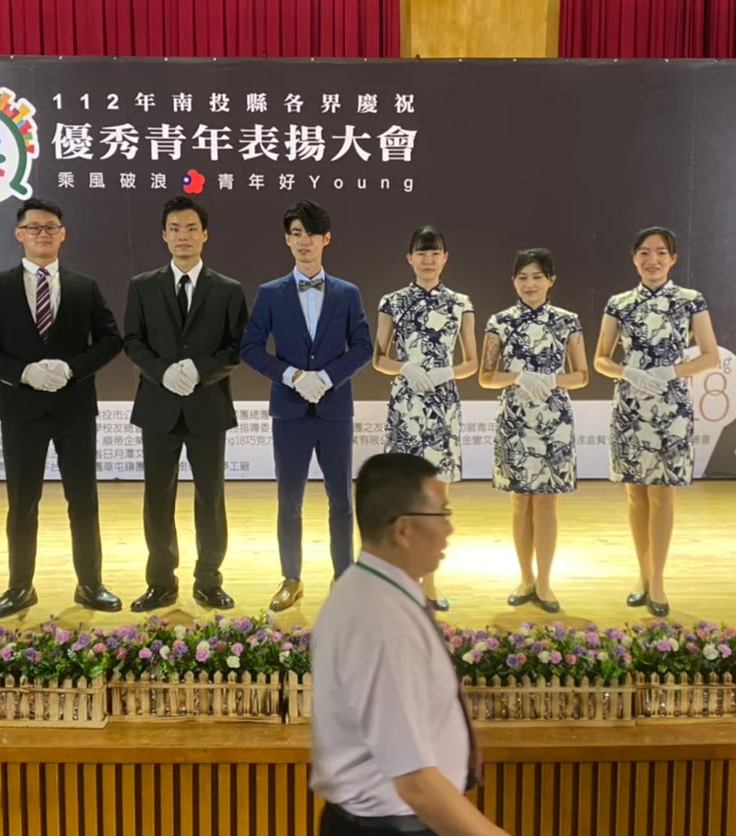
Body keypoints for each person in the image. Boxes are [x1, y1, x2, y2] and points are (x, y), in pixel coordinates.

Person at [284, 453, 573, 836]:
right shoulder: (381, 624)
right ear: (404, 528)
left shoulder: (377, 591)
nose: (450, 529)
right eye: (442, 514)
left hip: (417, 832)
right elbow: (414, 781)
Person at [0, 199, 124, 619]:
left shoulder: (84, 286)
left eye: (51, 227)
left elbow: (111, 340)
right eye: (33, 227)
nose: (42, 234)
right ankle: (20, 587)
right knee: (22, 503)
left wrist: (72, 369)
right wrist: (22, 373)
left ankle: (90, 584)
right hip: (21, 410)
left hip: (75, 409)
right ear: (19, 234)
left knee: (84, 500)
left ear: (63, 234)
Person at [241, 199, 373, 613]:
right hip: (289, 412)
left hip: (334, 411)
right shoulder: (270, 293)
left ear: (326, 239)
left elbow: (363, 347)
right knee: (289, 501)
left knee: (341, 500)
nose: (304, 241)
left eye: (311, 233)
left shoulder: (348, 293)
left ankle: (344, 575)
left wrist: (328, 377)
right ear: (287, 239)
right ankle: (291, 579)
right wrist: (292, 376)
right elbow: (249, 347)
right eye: (296, 233)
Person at [122, 195, 248, 614]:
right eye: (175, 228)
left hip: (207, 405)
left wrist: (199, 370)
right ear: (164, 235)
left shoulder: (228, 289)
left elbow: (237, 347)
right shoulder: (142, 286)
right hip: (158, 407)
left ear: (205, 234)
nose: (183, 236)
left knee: (210, 497)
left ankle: (209, 580)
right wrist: (163, 372)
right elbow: (133, 341)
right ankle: (160, 582)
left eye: (192, 228)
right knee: (157, 498)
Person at [593, 227, 718, 619]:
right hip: (631, 405)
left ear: (673, 259)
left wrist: (671, 371)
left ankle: (659, 581)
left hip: (671, 405)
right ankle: (643, 576)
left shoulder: (690, 300)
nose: (653, 260)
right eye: (645, 253)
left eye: (661, 252)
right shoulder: (619, 303)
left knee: (663, 494)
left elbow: (710, 356)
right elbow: (600, 359)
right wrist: (628, 372)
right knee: (635, 495)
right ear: (634, 258)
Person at [372, 225, 478, 611]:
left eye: (435, 253)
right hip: (406, 406)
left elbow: (471, 362)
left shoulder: (460, 303)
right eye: (421, 252)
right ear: (410, 259)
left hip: (443, 405)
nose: (428, 260)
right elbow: (378, 358)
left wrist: (445, 372)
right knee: (403, 496)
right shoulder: (393, 301)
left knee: (436, 496)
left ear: (445, 258)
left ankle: (430, 582)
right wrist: (405, 367)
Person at [478, 249, 588, 614]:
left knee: (546, 503)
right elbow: (486, 377)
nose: (530, 284)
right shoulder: (500, 321)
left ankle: (544, 582)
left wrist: (551, 380)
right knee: (519, 501)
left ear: (551, 281)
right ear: (513, 281)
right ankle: (525, 578)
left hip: (554, 420)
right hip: (515, 420)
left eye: (537, 277)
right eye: (523, 277)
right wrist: (520, 377)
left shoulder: (567, 321)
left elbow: (582, 375)